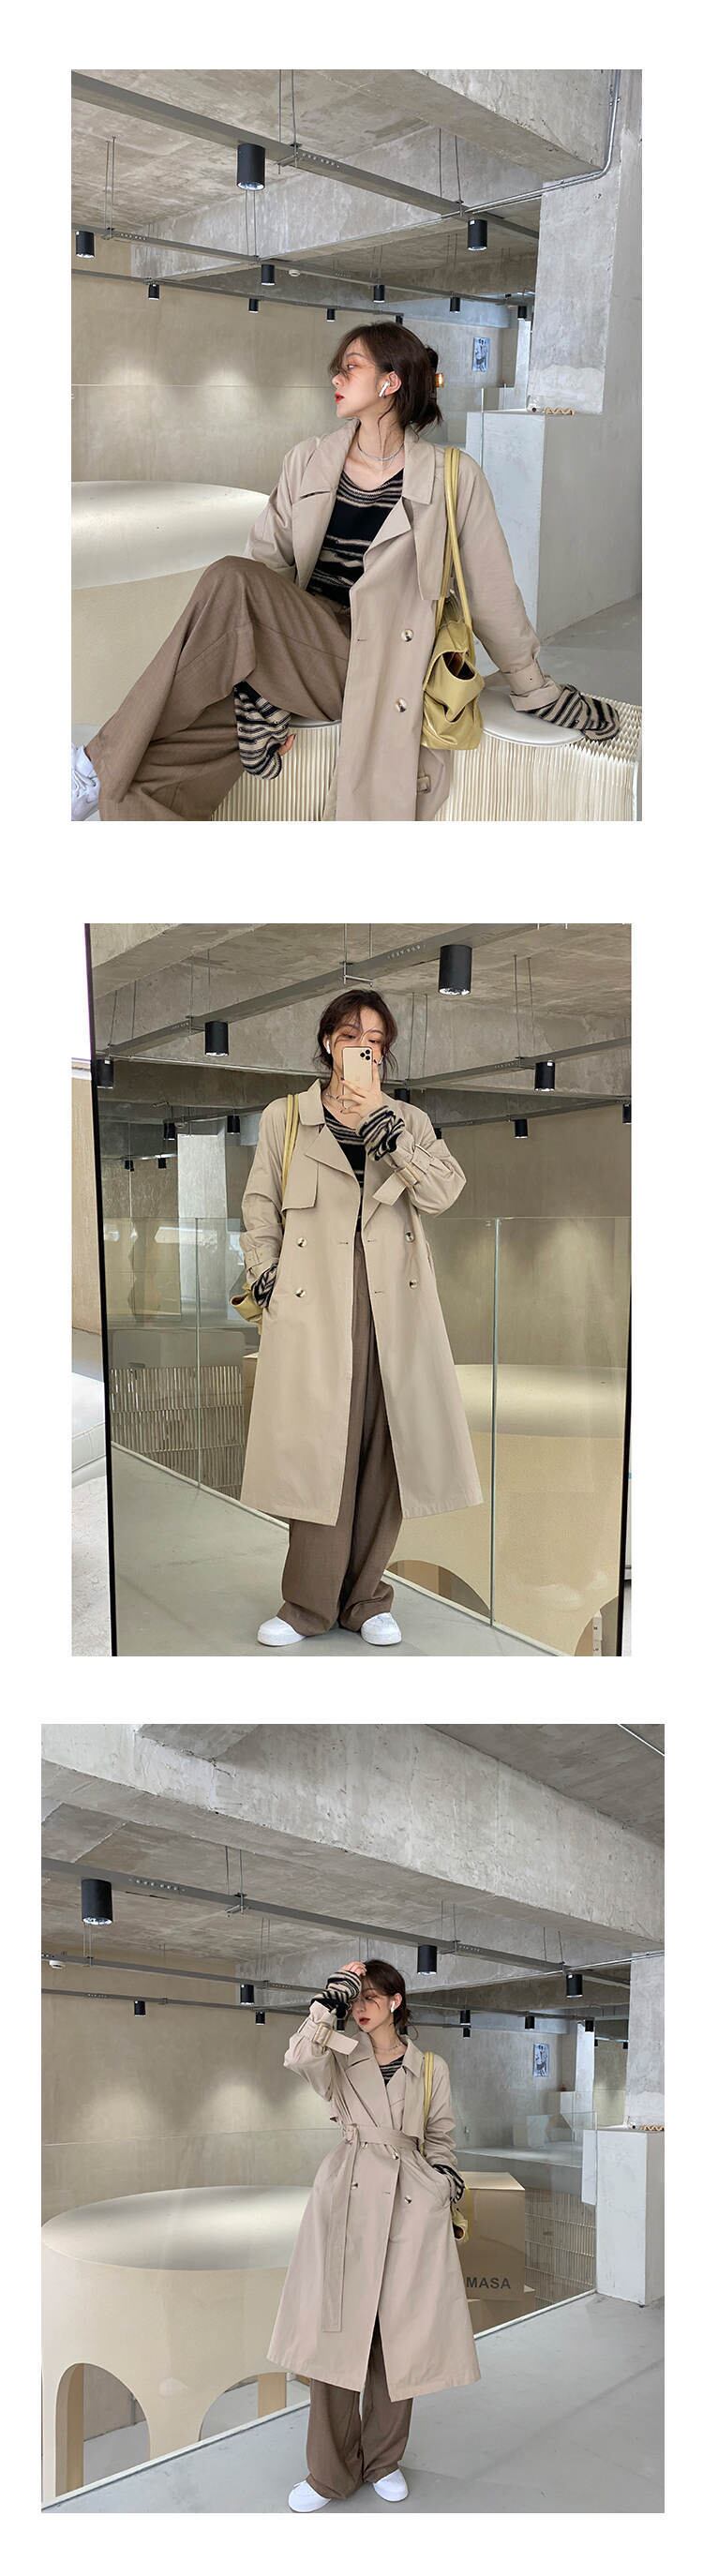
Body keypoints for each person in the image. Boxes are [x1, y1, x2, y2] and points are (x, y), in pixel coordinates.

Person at [71, 321, 618, 823]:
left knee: (228, 578)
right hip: (300, 648)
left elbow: (491, 594)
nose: (335, 378)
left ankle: (91, 766)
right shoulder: (308, 460)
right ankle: (114, 806)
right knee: (146, 773)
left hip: (376, 659)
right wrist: (255, 685)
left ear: (390, 382)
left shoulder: (452, 477)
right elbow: (268, 565)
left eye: (350, 368)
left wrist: (533, 687)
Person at [237, 986, 482, 1646]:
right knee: (319, 1452)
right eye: (350, 1035)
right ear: (328, 1042)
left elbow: (444, 1193)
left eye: (374, 1039)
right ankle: (307, 1605)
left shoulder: (410, 1121)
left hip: (395, 1304)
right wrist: (265, 1275)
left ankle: (368, 1600)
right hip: (312, 1304)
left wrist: (389, 1133)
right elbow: (260, 1204)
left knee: (386, 1448)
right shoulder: (287, 1117)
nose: (361, 1047)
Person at [267, 1958, 480, 2511]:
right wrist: (326, 2003)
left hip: (411, 2201)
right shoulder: (339, 2054)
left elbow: (441, 2136)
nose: (359, 2007)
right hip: (348, 2195)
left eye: (369, 1997)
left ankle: (384, 2459)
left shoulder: (429, 2067)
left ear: (395, 2001)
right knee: (336, 2334)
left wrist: (443, 2184)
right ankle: (328, 2474)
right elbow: (297, 2057)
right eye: (353, 1998)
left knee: (397, 2335)